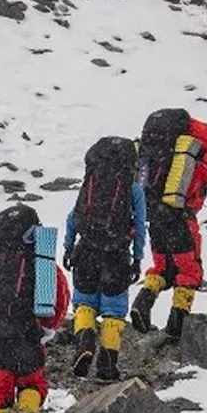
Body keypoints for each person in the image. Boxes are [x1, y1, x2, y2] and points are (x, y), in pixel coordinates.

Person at [129, 109, 207, 338]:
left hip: (155, 219)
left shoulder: (150, 153)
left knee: (164, 268)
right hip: (181, 220)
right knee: (189, 271)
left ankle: (144, 300)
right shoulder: (193, 153)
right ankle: (177, 325)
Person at [0, 205, 71, 413]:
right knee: (33, 383)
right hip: (28, 333)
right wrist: (49, 327)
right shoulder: (39, 256)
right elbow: (60, 293)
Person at [63, 136, 145, 382]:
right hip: (116, 254)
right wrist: (137, 257)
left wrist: (69, 247)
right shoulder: (133, 190)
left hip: (86, 249)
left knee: (84, 302)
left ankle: (85, 343)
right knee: (114, 310)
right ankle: (107, 366)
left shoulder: (91, 183)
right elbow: (140, 227)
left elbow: (72, 217)